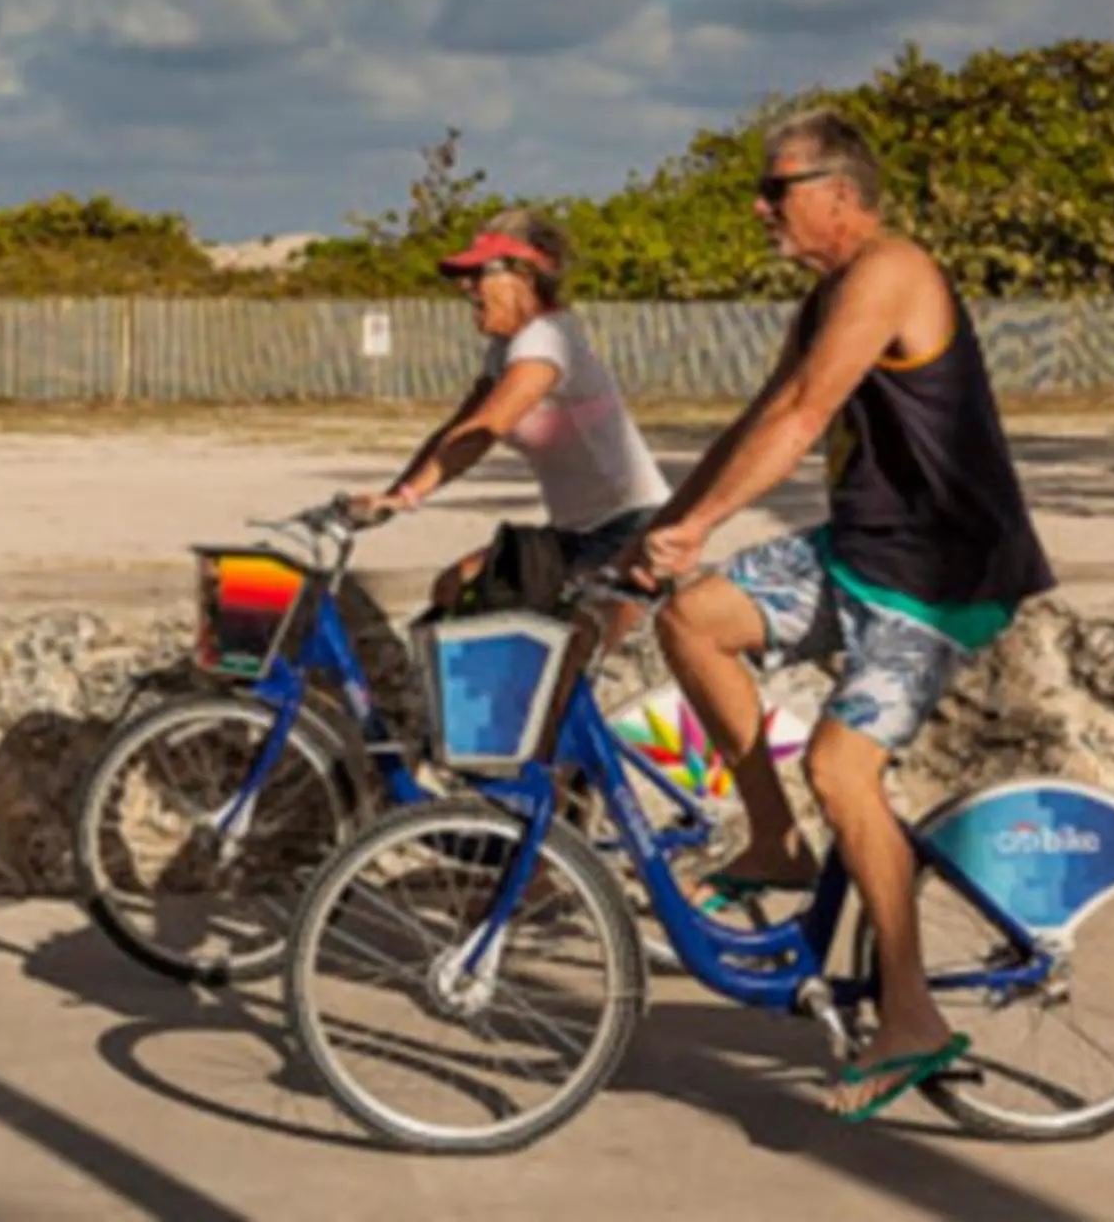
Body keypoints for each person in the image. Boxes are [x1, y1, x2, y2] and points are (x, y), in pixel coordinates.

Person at [623, 107, 1057, 1124]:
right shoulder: (822, 300)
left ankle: (910, 1019)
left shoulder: (893, 271)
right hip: (863, 556)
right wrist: (669, 529)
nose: (761, 206)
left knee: (841, 768)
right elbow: (761, 417)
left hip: (940, 574)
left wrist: (701, 521)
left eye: (778, 189)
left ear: (841, 196)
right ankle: (774, 838)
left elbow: (808, 416)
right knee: (694, 621)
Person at [354, 208, 673, 611]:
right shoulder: (505, 349)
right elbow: (457, 428)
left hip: (630, 530)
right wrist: (394, 496)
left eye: (479, 274)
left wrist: (407, 498)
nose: (466, 286)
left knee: (558, 650)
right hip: (574, 534)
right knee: (454, 587)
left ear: (524, 277)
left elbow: (485, 430)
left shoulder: (547, 338)